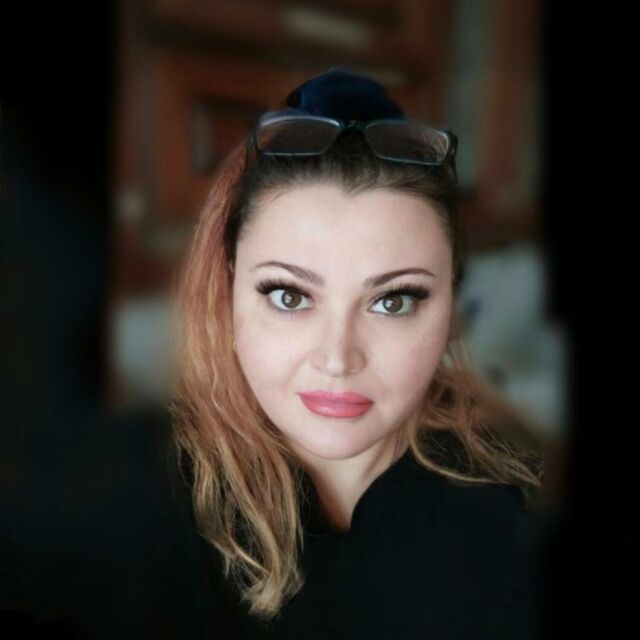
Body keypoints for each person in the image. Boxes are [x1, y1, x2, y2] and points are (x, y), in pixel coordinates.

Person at [168, 66, 548, 639]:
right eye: (290, 295)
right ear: (228, 288)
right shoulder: (144, 513)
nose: (338, 359)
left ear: (451, 304)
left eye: (392, 301)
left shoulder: (518, 506)